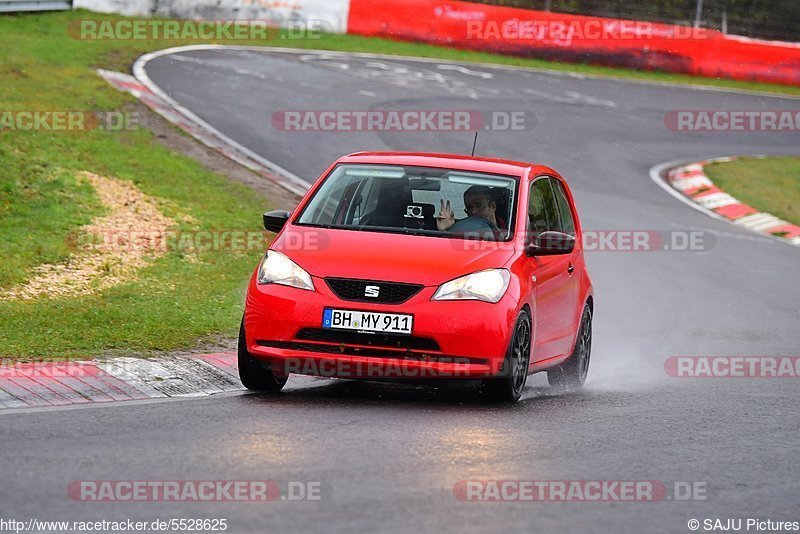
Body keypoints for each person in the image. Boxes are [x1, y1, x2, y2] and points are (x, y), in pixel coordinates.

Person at [437, 185, 505, 232]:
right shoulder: (463, 231)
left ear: (492, 206)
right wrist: (446, 230)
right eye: (469, 207)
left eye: (479, 205)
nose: (473, 211)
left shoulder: (511, 232)